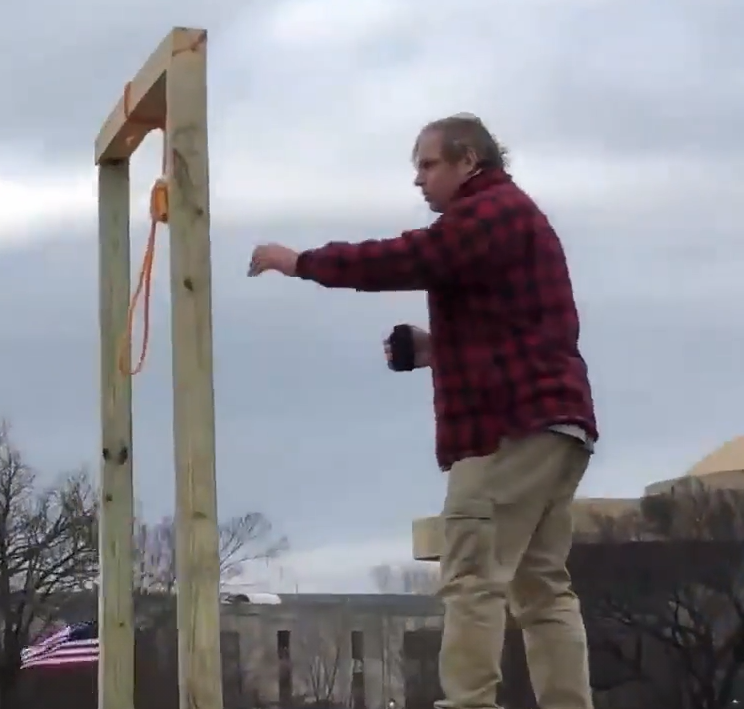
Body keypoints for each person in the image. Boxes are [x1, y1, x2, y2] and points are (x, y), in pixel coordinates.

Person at [249, 113, 598, 709]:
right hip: (555, 425)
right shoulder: (512, 221)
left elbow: (408, 258)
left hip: (505, 429)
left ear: (469, 161)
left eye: (428, 164)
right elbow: (521, 330)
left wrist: (301, 261)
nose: (418, 180)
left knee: (472, 579)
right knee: (541, 589)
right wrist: (434, 348)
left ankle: (468, 703)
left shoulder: (489, 213)